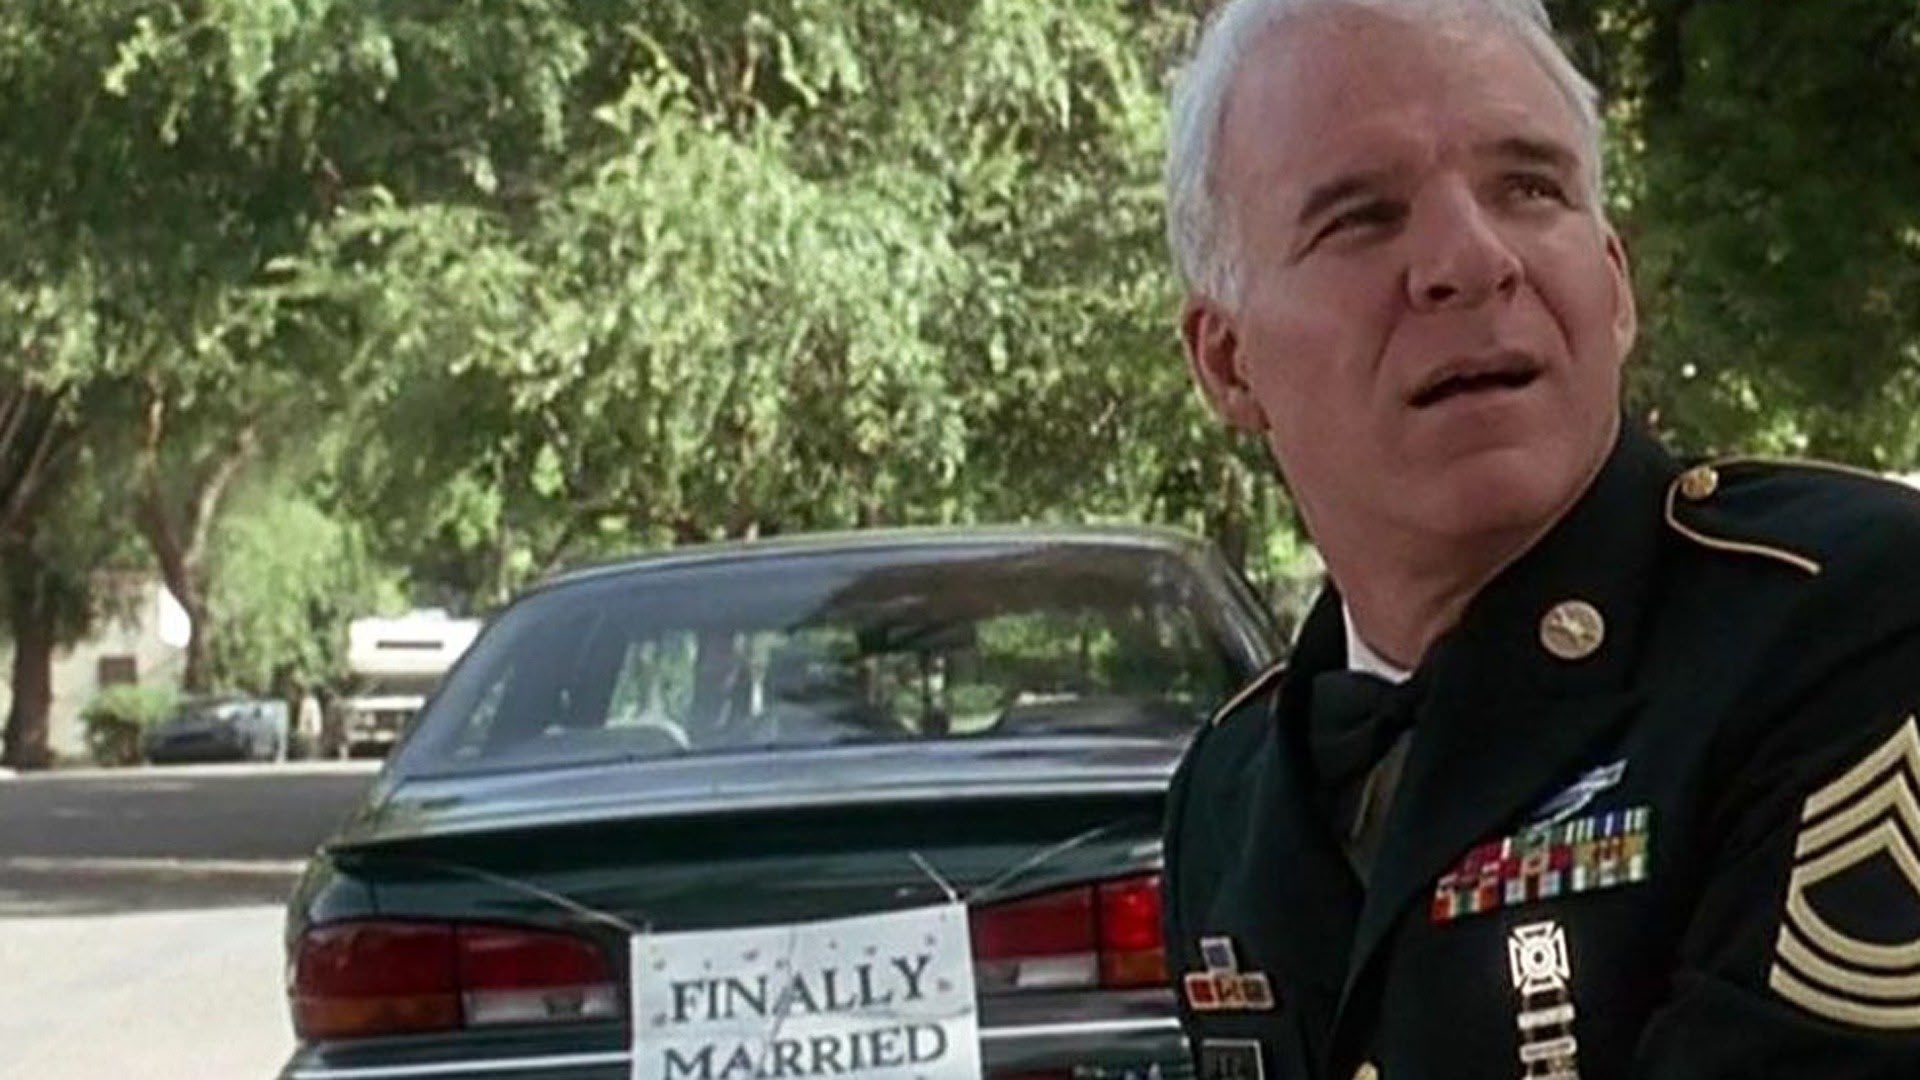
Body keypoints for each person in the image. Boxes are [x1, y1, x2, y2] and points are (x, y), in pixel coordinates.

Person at [1159, 1, 1920, 1077]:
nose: (1471, 261)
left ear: (1614, 287)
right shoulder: (1231, 794)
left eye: (1529, 188)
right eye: (1362, 217)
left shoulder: (1851, 618)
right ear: (1228, 361)